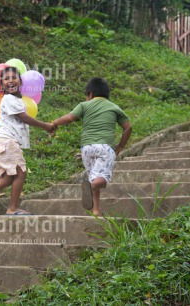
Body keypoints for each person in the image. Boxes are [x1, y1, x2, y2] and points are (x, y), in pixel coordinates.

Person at [0, 67, 56, 215]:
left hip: (3, 143)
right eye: (6, 78)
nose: (11, 80)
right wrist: (46, 126)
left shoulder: (15, 99)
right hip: (7, 142)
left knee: (9, 177)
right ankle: (12, 208)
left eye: (14, 77)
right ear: (2, 85)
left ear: (20, 81)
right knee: (20, 173)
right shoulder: (10, 99)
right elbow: (23, 117)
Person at [52, 77, 132, 216]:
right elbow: (128, 127)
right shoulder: (113, 107)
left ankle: (96, 210)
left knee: (94, 176)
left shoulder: (84, 105)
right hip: (105, 148)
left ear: (90, 94)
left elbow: (70, 118)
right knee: (101, 180)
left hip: (86, 149)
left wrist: (54, 123)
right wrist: (120, 146)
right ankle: (94, 184)